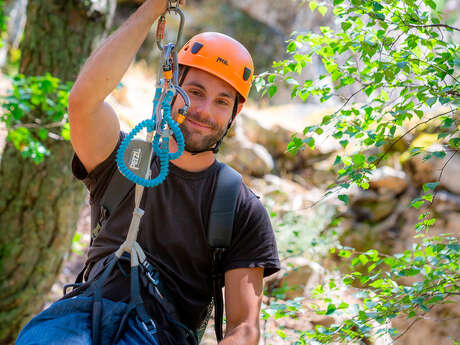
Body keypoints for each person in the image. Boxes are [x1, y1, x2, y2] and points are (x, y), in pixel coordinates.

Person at [15, 0, 279, 344]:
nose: (203, 111)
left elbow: (244, 328)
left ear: (235, 112)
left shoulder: (239, 207)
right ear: (171, 86)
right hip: (78, 321)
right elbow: (83, 102)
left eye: (221, 101)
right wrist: (150, 11)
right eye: (195, 92)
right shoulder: (125, 160)